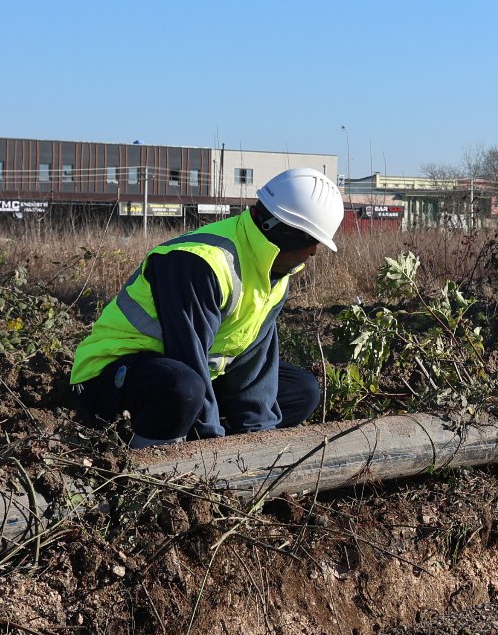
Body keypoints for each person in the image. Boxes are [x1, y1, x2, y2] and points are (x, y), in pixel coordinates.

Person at [68, 167, 345, 446]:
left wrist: (258, 439)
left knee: (300, 390)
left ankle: (207, 433)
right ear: (286, 233)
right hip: (110, 377)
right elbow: (188, 353)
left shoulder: (276, 271)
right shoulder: (200, 263)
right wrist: (210, 450)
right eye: (312, 242)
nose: (313, 252)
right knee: (183, 388)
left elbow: (256, 360)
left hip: (188, 375)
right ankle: (152, 458)